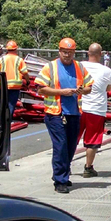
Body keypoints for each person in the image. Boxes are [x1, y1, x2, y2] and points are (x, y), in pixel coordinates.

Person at [35, 38, 93, 194]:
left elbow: (89, 87)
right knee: (60, 146)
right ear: (59, 51)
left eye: (70, 52)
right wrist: (62, 92)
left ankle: (63, 175)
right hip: (55, 113)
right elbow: (40, 89)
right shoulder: (50, 67)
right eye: (64, 52)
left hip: (74, 112)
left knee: (70, 146)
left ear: (74, 52)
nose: (67, 55)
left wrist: (82, 90)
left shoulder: (79, 67)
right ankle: (60, 180)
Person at [78, 43, 111, 178]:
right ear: (101, 54)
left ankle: (66, 165)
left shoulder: (79, 66)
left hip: (79, 107)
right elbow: (109, 88)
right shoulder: (106, 70)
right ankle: (88, 168)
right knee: (92, 140)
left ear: (88, 53)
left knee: (72, 138)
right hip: (97, 109)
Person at [0, 40, 29, 124]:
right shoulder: (19, 60)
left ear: (7, 49)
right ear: (16, 49)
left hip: (2, 86)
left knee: (0, 103)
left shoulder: (1, 59)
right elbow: (25, 72)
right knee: (11, 104)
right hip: (15, 86)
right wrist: (27, 81)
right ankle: (9, 121)